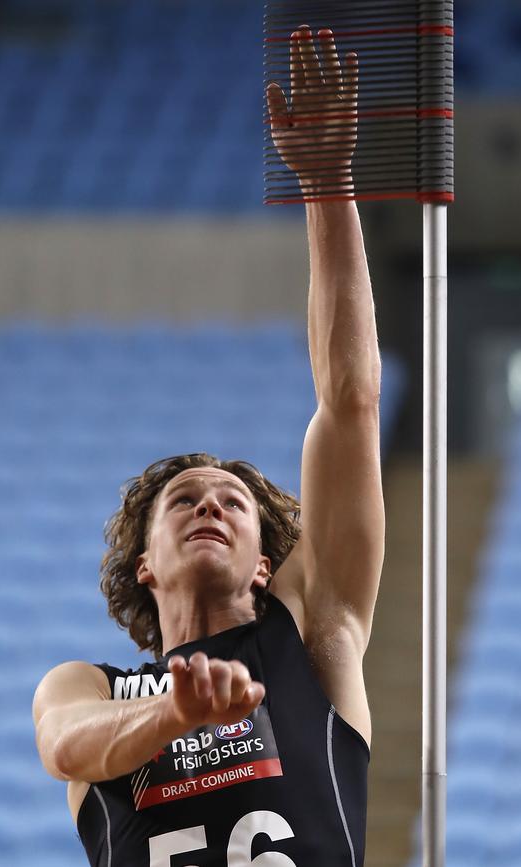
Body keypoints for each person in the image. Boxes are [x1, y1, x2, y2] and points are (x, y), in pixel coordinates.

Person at [33, 24, 384, 866]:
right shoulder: (88, 686)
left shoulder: (313, 635)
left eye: (232, 501)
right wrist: (176, 714)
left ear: (268, 563)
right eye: (183, 499)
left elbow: (350, 402)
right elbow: (68, 746)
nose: (211, 504)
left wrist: (329, 188)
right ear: (144, 562)